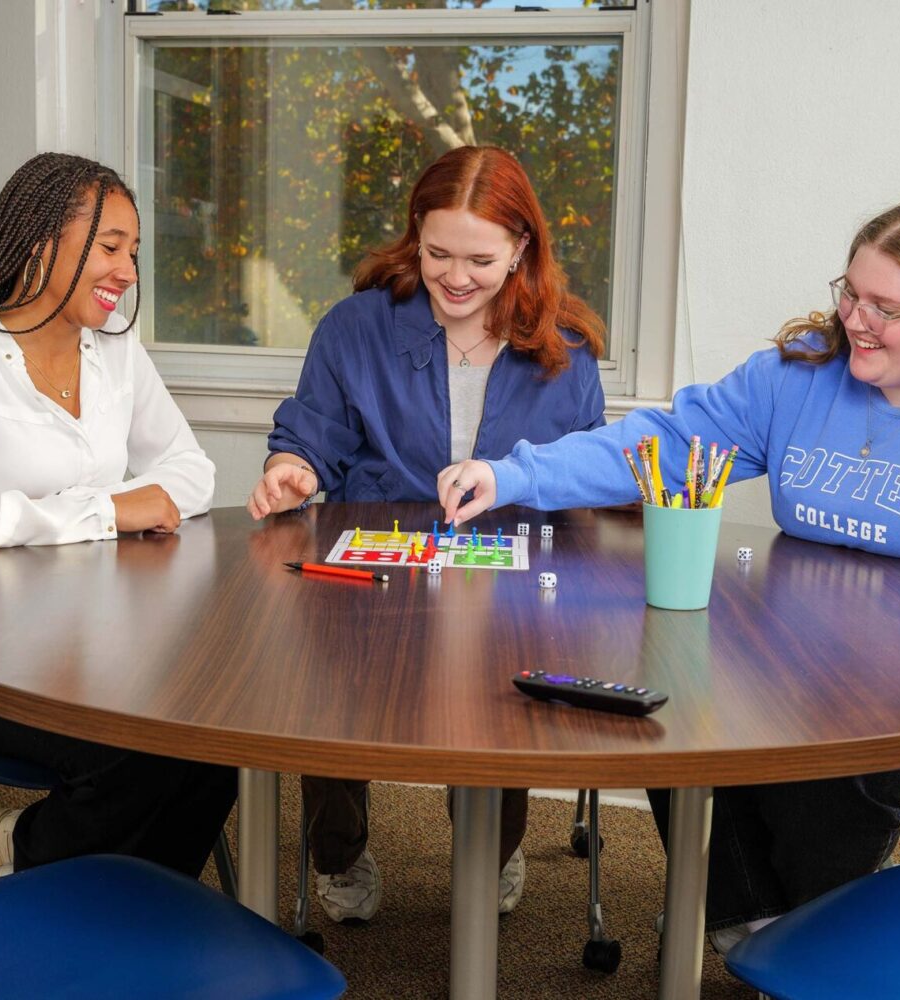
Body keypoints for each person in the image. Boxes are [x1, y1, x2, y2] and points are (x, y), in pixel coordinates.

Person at [438, 196, 900, 950]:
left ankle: (812, 945)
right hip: (832, 655)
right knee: (669, 695)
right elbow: (665, 442)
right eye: (850, 294)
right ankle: (748, 918)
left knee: (840, 754)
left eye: (885, 309)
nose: (855, 321)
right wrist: (511, 478)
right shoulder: (798, 378)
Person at [247, 145, 606, 922]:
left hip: (504, 576)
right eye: (438, 252)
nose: (455, 276)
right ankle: (336, 854)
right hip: (372, 570)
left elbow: (583, 469)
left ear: (521, 249)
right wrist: (293, 468)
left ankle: (495, 849)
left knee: (505, 693)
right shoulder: (354, 328)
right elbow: (310, 434)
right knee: (331, 689)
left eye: (480, 258)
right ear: (415, 235)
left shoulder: (566, 351)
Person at [0, 152, 236, 882]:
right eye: (109, 247)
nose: (127, 270)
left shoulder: (115, 351)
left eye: (132, 251)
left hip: (81, 645)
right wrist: (106, 509)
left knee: (211, 742)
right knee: (132, 751)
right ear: (37, 244)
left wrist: (119, 507)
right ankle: (36, 870)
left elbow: (191, 471)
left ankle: (128, 912)